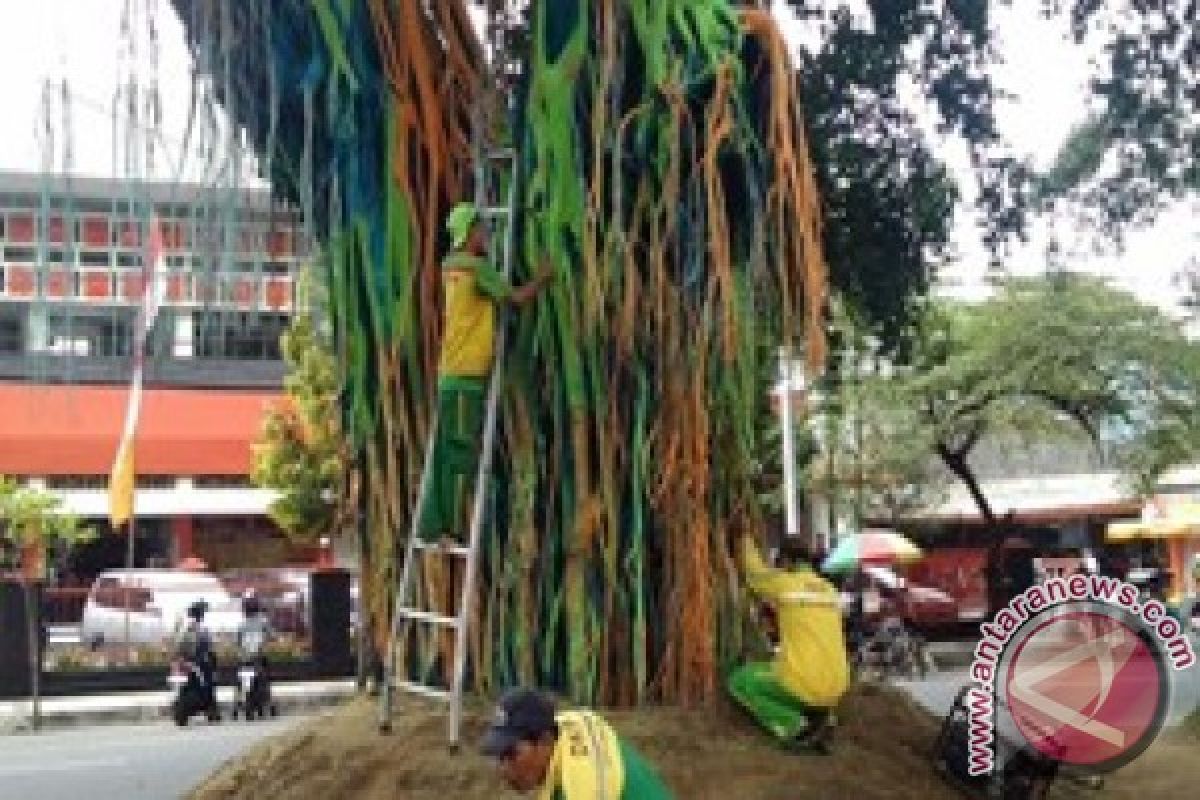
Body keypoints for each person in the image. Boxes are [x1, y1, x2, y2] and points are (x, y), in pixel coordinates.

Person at [420, 203, 554, 546]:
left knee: (445, 452)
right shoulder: (477, 269)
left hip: (451, 371)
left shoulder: (450, 266)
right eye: (481, 229)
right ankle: (446, 528)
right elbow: (517, 298)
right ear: (469, 233)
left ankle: (433, 525)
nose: (486, 235)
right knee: (460, 454)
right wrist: (543, 276)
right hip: (467, 375)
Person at [728, 534, 849, 751]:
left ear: (785, 561)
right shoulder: (830, 590)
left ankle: (796, 727)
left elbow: (753, 574)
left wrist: (744, 536)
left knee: (740, 680)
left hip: (802, 682)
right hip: (837, 685)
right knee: (780, 669)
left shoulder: (785, 584)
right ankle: (822, 718)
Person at [480, 687, 673, 799]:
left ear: (545, 741)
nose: (504, 768)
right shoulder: (562, 725)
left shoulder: (581, 788)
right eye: (500, 756)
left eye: (513, 754)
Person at [174, 600, 218, 711]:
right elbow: (209, 648)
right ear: (201, 615)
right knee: (210, 681)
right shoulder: (203, 630)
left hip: (185, 662)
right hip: (198, 663)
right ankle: (210, 708)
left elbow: (178, 648)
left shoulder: (185, 629)